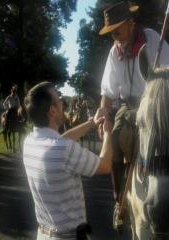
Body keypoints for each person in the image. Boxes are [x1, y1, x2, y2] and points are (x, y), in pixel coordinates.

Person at [97, 1, 169, 229]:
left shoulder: (153, 38)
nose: (115, 35)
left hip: (153, 102)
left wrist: (160, 90)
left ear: (131, 23)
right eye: (112, 31)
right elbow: (108, 92)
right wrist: (103, 112)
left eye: (118, 29)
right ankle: (118, 201)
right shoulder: (115, 52)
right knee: (113, 139)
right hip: (128, 105)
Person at [23, 81, 113, 240]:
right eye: (60, 101)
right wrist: (107, 133)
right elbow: (105, 165)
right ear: (52, 110)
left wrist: (91, 123)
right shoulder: (63, 150)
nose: (63, 105)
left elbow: (61, 141)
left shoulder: (30, 142)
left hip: (44, 234)